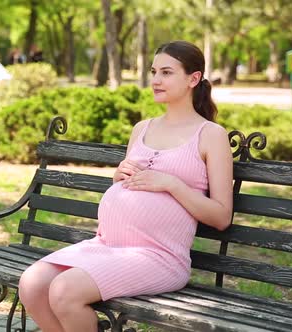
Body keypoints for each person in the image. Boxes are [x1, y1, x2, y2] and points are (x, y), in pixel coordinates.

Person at [18, 40, 233, 332]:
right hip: (107, 246)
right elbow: (130, 185)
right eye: (154, 71)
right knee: (31, 284)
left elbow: (221, 216)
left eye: (167, 73)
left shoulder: (210, 135)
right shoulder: (142, 128)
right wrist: (120, 175)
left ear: (193, 79)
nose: (155, 80)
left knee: (64, 292)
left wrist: (171, 184)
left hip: (159, 257)